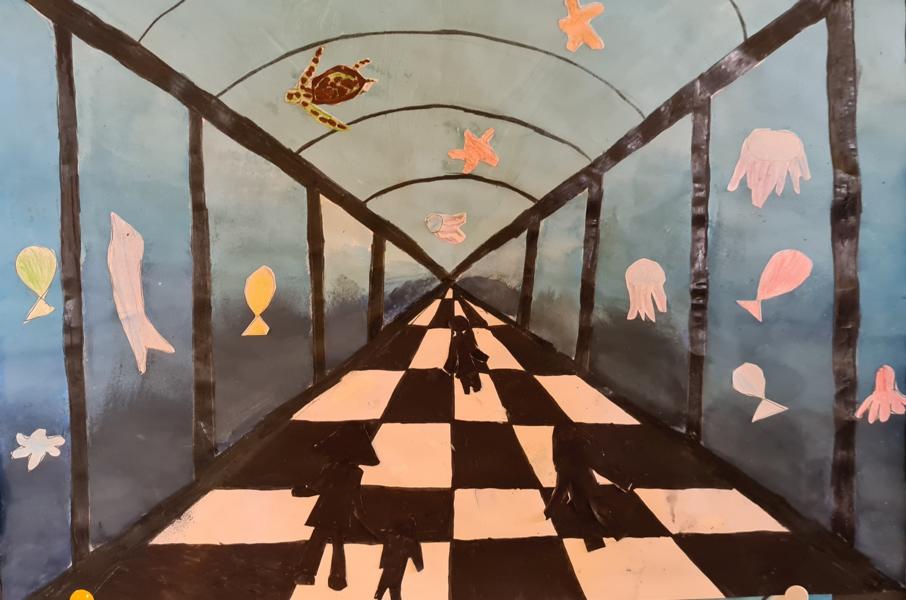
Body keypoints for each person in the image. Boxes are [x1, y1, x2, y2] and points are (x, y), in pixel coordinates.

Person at [293, 423, 379, 590]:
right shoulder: (356, 472)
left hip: (325, 510)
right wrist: (360, 512)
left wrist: (299, 491)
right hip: (342, 513)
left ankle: (307, 573)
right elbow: (355, 495)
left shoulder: (332, 467)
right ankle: (338, 577)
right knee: (338, 544)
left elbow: (317, 487)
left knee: (317, 542)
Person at [544, 423, 633, 551]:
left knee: (590, 519)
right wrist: (622, 483)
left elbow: (561, 488)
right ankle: (616, 535)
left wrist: (549, 510)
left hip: (581, 495)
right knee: (600, 513)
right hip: (590, 489)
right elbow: (600, 467)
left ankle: (603, 542)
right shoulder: (581, 449)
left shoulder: (563, 460)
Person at [374, 516, 424, 600]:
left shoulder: (400, 540)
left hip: (394, 567)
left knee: (390, 588)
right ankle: (380, 593)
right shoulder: (407, 542)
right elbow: (417, 556)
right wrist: (419, 565)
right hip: (394, 568)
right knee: (391, 588)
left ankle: (380, 593)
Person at [443, 315, 489, 394]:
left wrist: (449, 368)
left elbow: (452, 355)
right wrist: (484, 358)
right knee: (477, 386)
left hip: (461, 369)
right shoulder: (466, 338)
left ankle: (468, 394)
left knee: (466, 389)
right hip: (469, 365)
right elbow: (473, 351)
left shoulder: (454, 340)